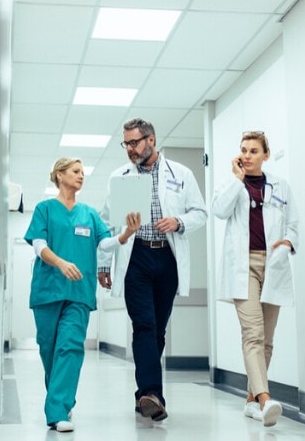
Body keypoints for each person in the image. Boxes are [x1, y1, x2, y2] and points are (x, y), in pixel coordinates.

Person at [97, 118, 207, 421]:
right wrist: (104, 262)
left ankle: (143, 395)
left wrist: (179, 222)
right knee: (144, 325)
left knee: (157, 329)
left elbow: (201, 212)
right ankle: (152, 393)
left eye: (135, 142)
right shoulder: (119, 176)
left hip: (167, 257)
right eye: (126, 144)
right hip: (136, 257)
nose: (130, 149)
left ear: (151, 140)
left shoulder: (180, 174)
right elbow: (107, 223)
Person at [24, 157, 140, 433]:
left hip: (79, 292)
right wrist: (61, 263)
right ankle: (62, 400)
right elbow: (39, 244)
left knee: (70, 348)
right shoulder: (45, 209)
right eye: (75, 171)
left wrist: (125, 234)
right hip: (47, 291)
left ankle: (57, 411)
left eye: (82, 172)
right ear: (60, 175)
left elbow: (105, 243)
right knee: (49, 350)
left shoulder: (89, 214)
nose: (81, 176)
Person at [211, 131, 299, 427]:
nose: (247, 156)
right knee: (253, 334)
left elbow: (294, 224)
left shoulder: (281, 186)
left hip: (272, 264)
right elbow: (219, 210)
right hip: (243, 266)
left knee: (268, 341)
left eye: (253, 151)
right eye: (243, 151)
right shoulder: (232, 185)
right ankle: (265, 399)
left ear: (265, 155)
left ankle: (250, 400)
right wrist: (237, 180)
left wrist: (288, 242)